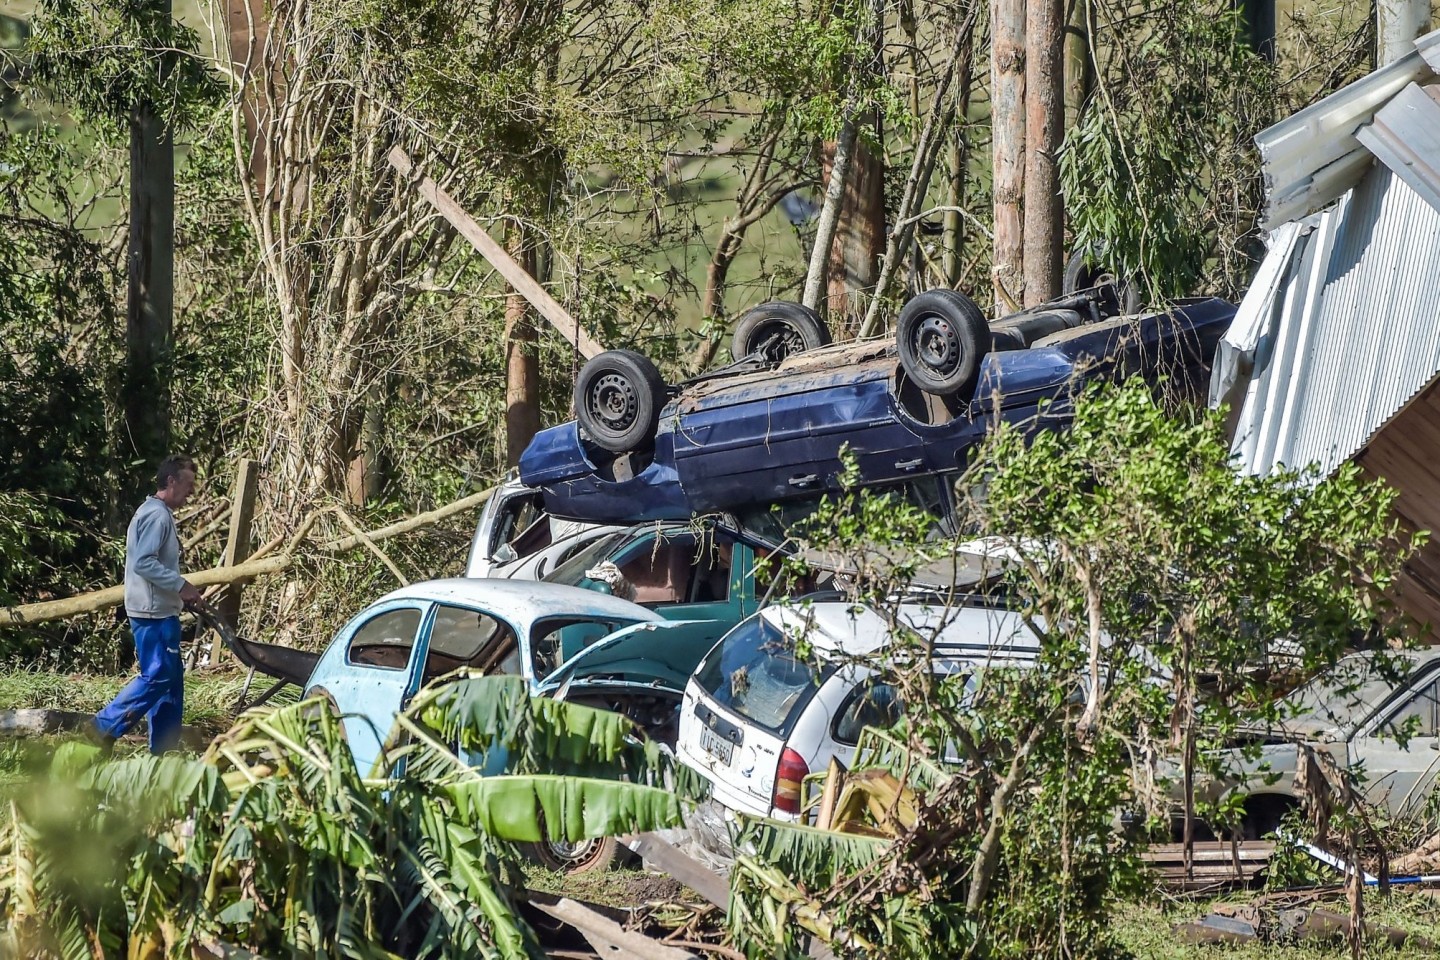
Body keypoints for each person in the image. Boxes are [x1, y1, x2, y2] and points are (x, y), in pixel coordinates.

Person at [91, 455, 202, 755]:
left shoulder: (154, 512)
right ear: (171, 481)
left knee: (171, 683)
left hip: (160, 610)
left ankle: (164, 752)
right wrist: (181, 585)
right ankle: (101, 727)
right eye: (188, 484)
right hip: (153, 615)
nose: (191, 492)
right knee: (158, 676)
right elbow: (143, 562)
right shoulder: (157, 515)